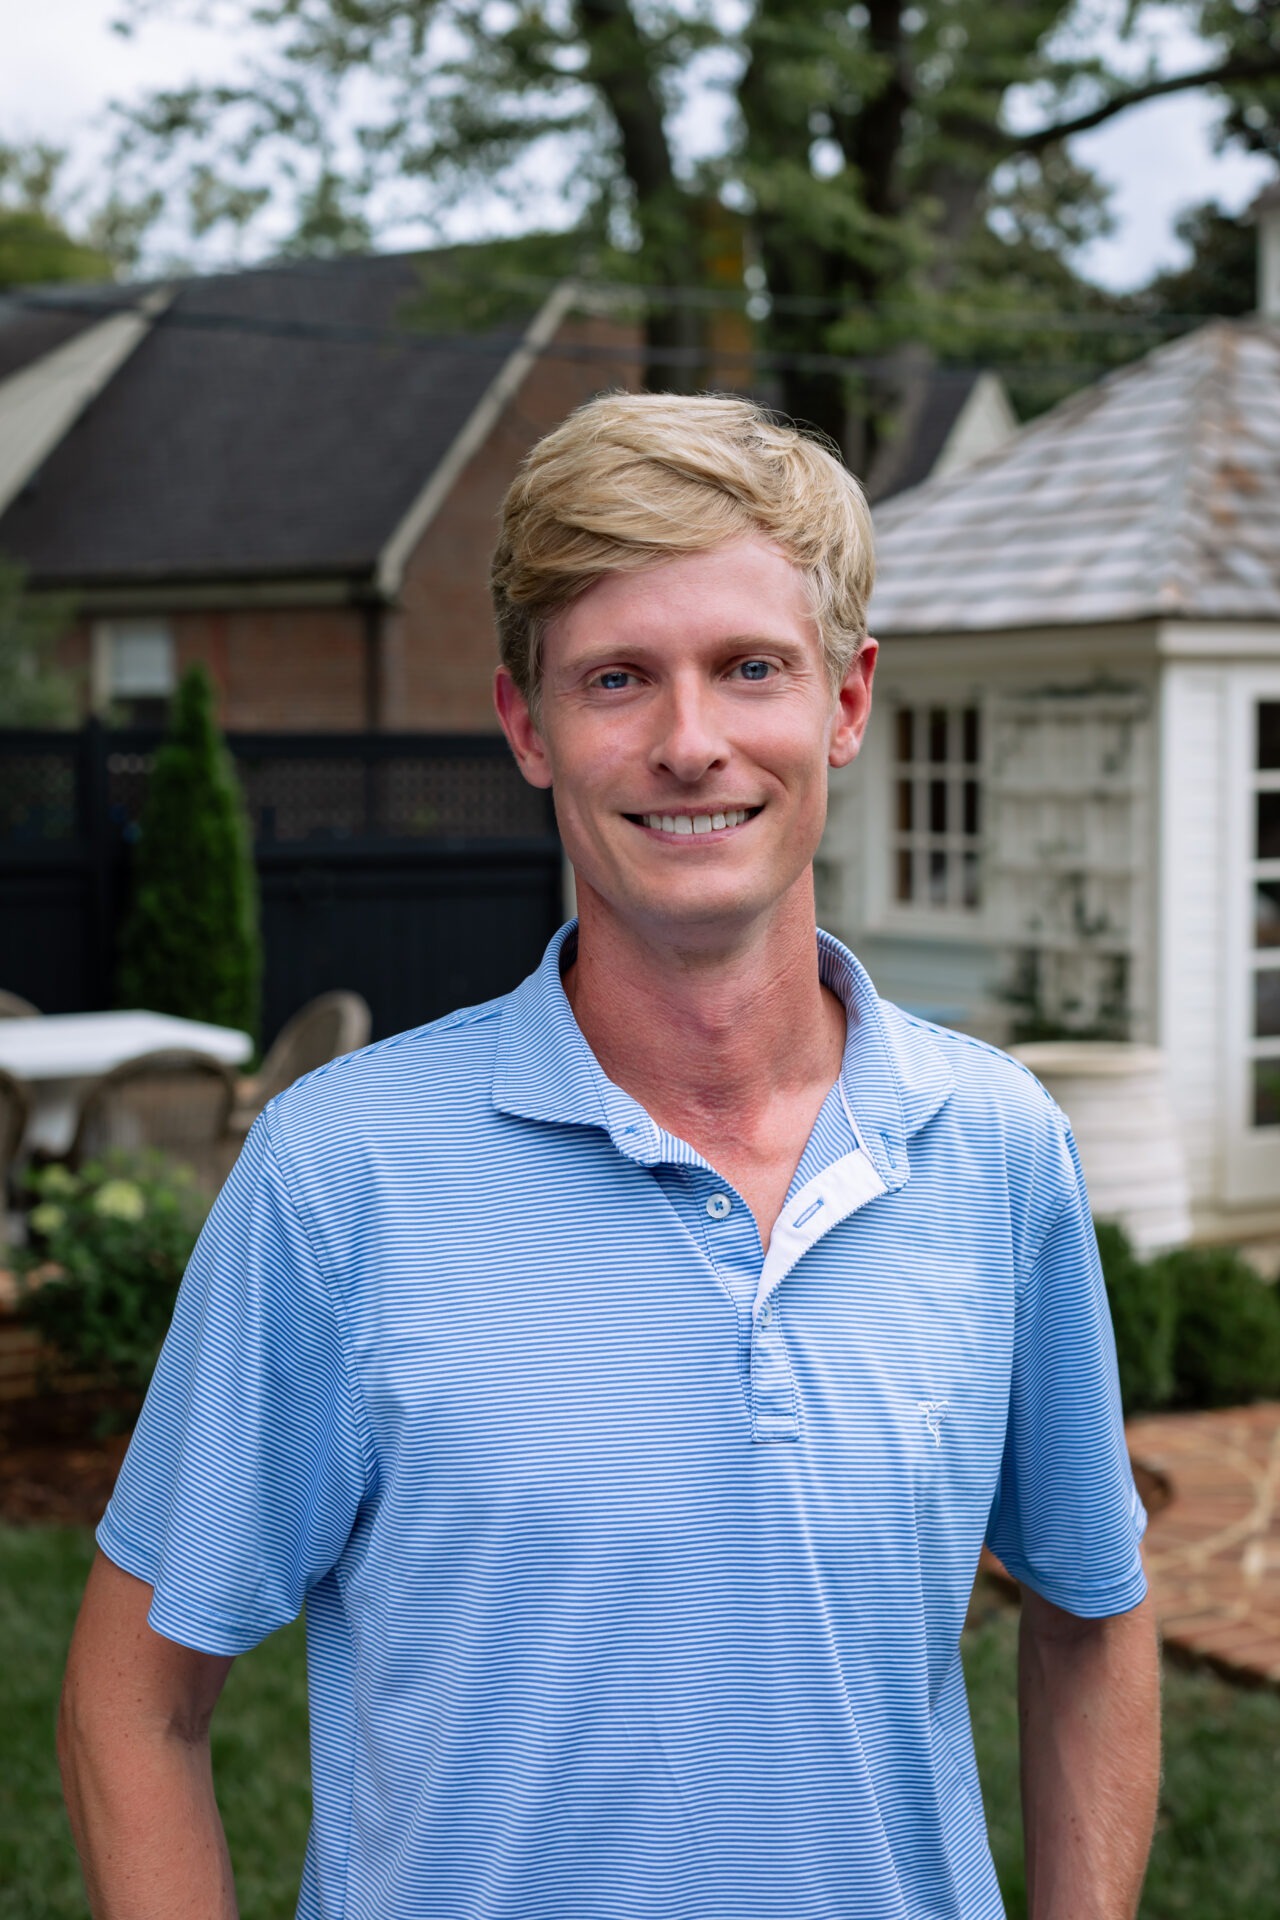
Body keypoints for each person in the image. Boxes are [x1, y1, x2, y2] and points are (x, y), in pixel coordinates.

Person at [59, 393, 1160, 1920]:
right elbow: (134, 1699)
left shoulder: (997, 1154)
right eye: (618, 677)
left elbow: (1094, 1620)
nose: (690, 742)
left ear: (847, 702)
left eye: (751, 668)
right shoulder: (342, 1176)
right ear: (530, 726)